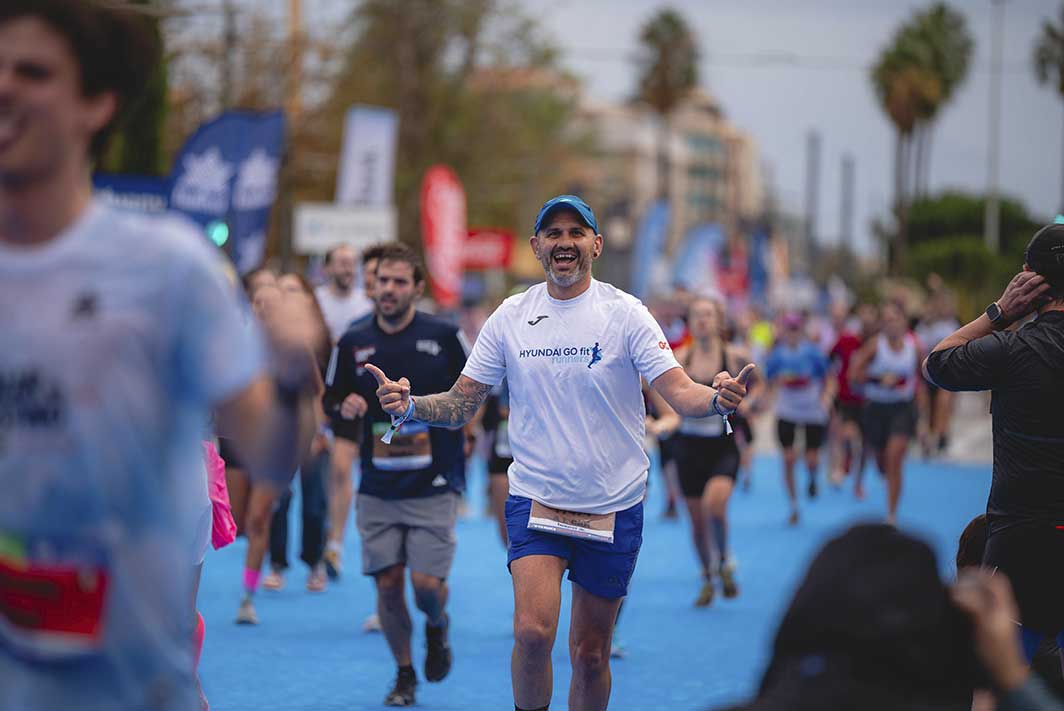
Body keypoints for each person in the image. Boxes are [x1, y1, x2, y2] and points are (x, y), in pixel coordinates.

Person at [0, 4, 320, 709]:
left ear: (96, 104)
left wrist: (296, 364)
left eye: (33, 72)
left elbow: (271, 452)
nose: (6, 87)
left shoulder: (168, 269)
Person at [366, 195, 753, 711]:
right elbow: (462, 404)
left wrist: (717, 398)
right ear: (536, 247)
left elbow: (679, 391)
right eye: (553, 233)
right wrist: (410, 404)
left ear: (594, 244)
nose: (564, 242)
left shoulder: (626, 314)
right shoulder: (511, 316)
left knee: (590, 653)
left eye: (576, 232)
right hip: (537, 499)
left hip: (612, 502)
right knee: (530, 632)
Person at [323, 243, 469, 707]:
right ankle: (404, 673)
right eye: (382, 280)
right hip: (378, 484)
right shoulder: (352, 339)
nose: (388, 289)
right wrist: (341, 407)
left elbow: (473, 395)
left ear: (417, 288)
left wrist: (432, 411)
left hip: (434, 482)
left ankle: (437, 625)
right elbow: (331, 398)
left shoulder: (445, 335)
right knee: (387, 583)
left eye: (399, 281)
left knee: (426, 587)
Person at [924, 222, 1064, 674]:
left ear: (1027, 278)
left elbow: (937, 363)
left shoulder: (1011, 349)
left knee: (996, 679)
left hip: (1020, 537)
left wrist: (998, 312)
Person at [672, 296, 758, 606]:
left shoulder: (734, 356)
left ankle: (723, 559)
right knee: (696, 522)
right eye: (697, 315)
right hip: (688, 446)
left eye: (708, 315)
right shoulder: (680, 358)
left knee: (716, 507)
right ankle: (708, 576)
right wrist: (667, 418)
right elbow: (661, 391)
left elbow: (757, 386)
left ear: (718, 320)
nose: (703, 320)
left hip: (722, 445)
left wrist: (747, 402)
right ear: (690, 322)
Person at [263, 273, 333, 593]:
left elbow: (319, 391)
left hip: (308, 431)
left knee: (314, 501)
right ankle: (277, 563)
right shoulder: (261, 343)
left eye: (294, 292)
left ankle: (315, 562)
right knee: (279, 497)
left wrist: (319, 431)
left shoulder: (312, 341)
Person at [850, 301, 920, 524]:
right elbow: (853, 376)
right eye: (887, 320)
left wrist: (925, 419)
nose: (891, 325)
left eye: (895, 319)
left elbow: (923, 381)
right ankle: (883, 474)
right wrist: (878, 379)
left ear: (904, 322)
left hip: (902, 407)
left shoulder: (914, 347)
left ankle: (891, 515)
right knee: (881, 462)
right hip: (877, 408)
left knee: (894, 459)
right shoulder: (874, 346)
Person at [764, 312, 833, 525]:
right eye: (789, 329)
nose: (792, 334)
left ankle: (812, 477)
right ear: (784, 331)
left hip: (811, 410)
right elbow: (768, 381)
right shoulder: (776, 355)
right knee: (788, 459)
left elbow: (828, 377)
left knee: (811, 458)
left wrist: (827, 398)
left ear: (800, 330)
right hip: (786, 410)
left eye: (796, 329)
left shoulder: (813, 353)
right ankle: (794, 505)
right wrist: (764, 402)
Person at [827, 304, 875, 490]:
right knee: (847, 434)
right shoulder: (846, 340)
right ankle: (846, 456)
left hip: (869, 400)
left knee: (865, 446)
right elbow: (829, 359)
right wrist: (832, 381)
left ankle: (859, 482)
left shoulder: (878, 344)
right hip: (846, 397)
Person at [917, 291, 960, 457]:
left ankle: (942, 434)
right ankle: (929, 436)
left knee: (943, 404)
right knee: (927, 408)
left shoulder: (950, 325)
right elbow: (919, 351)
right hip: (926, 372)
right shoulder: (922, 328)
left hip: (945, 371)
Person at [316, 243, 373, 344]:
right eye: (343, 263)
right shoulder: (315, 300)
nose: (349, 270)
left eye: (353, 264)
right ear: (327, 268)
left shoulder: (368, 301)